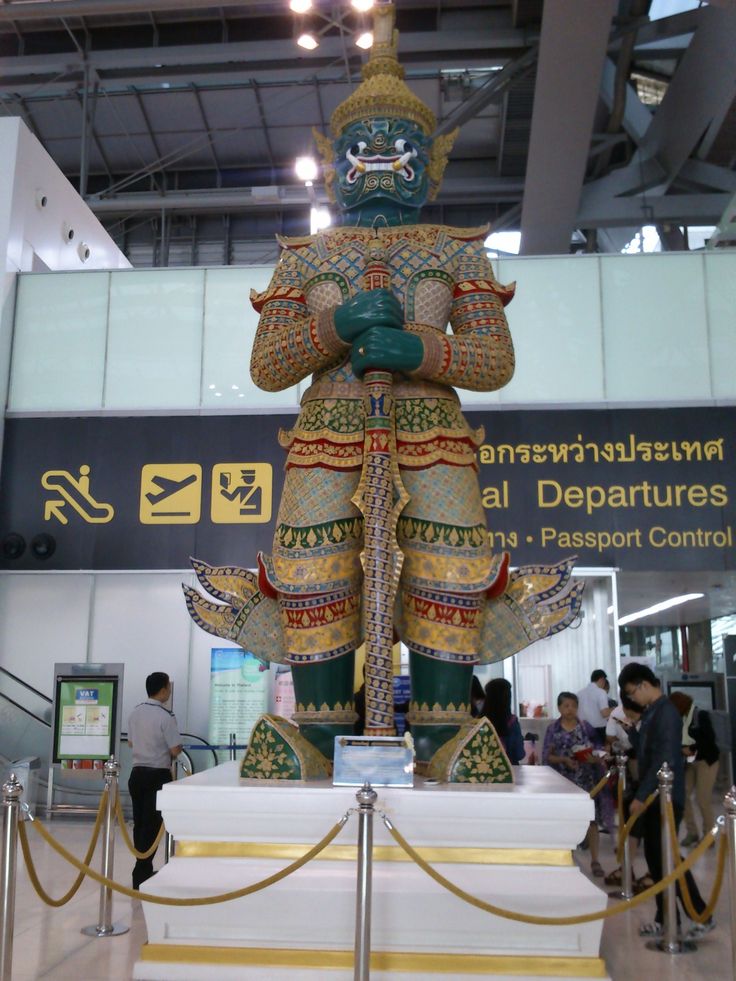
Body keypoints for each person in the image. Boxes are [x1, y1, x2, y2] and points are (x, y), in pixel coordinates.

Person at [618, 663, 715, 940]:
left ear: (644, 685)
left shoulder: (667, 713)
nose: (632, 699)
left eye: (631, 692)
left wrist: (641, 795)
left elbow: (664, 759)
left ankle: (701, 915)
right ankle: (665, 918)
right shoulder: (652, 713)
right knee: (657, 859)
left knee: (667, 859)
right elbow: (649, 750)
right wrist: (633, 732)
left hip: (666, 798)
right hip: (656, 797)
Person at [127, 672, 182, 890]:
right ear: (162, 690)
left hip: (137, 774)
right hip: (157, 775)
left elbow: (131, 743)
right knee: (152, 825)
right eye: (167, 687)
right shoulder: (165, 717)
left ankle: (141, 869)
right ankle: (142, 872)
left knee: (139, 824)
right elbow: (175, 749)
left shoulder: (135, 713)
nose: (168, 691)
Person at [543, 692, 606, 878]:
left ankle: (595, 860)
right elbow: (547, 755)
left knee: (592, 821)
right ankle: (566, 855)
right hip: (563, 781)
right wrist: (563, 759)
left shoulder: (586, 728)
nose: (570, 709)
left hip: (586, 779)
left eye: (573, 706)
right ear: (559, 708)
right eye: (566, 706)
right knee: (565, 819)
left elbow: (599, 750)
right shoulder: (553, 729)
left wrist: (593, 758)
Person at [669, 691, 720, 847]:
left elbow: (710, 740)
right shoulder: (681, 719)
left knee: (702, 799)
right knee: (682, 795)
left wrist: (690, 748)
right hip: (691, 762)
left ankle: (709, 835)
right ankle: (692, 832)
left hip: (707, 760)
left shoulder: (700, 715)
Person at [482, 678, 524, 764]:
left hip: (484, 771)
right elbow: (519, 754)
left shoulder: (480, 722)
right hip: (510, 771)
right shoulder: (512, 723)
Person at [577, 669, 612, 741]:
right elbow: (604, 713)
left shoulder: (579, 693)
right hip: (598, 731)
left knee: (586, 751)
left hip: (582, 729)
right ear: (602, 679)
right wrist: (614, 709)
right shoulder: (601, 692)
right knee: (600, 751)